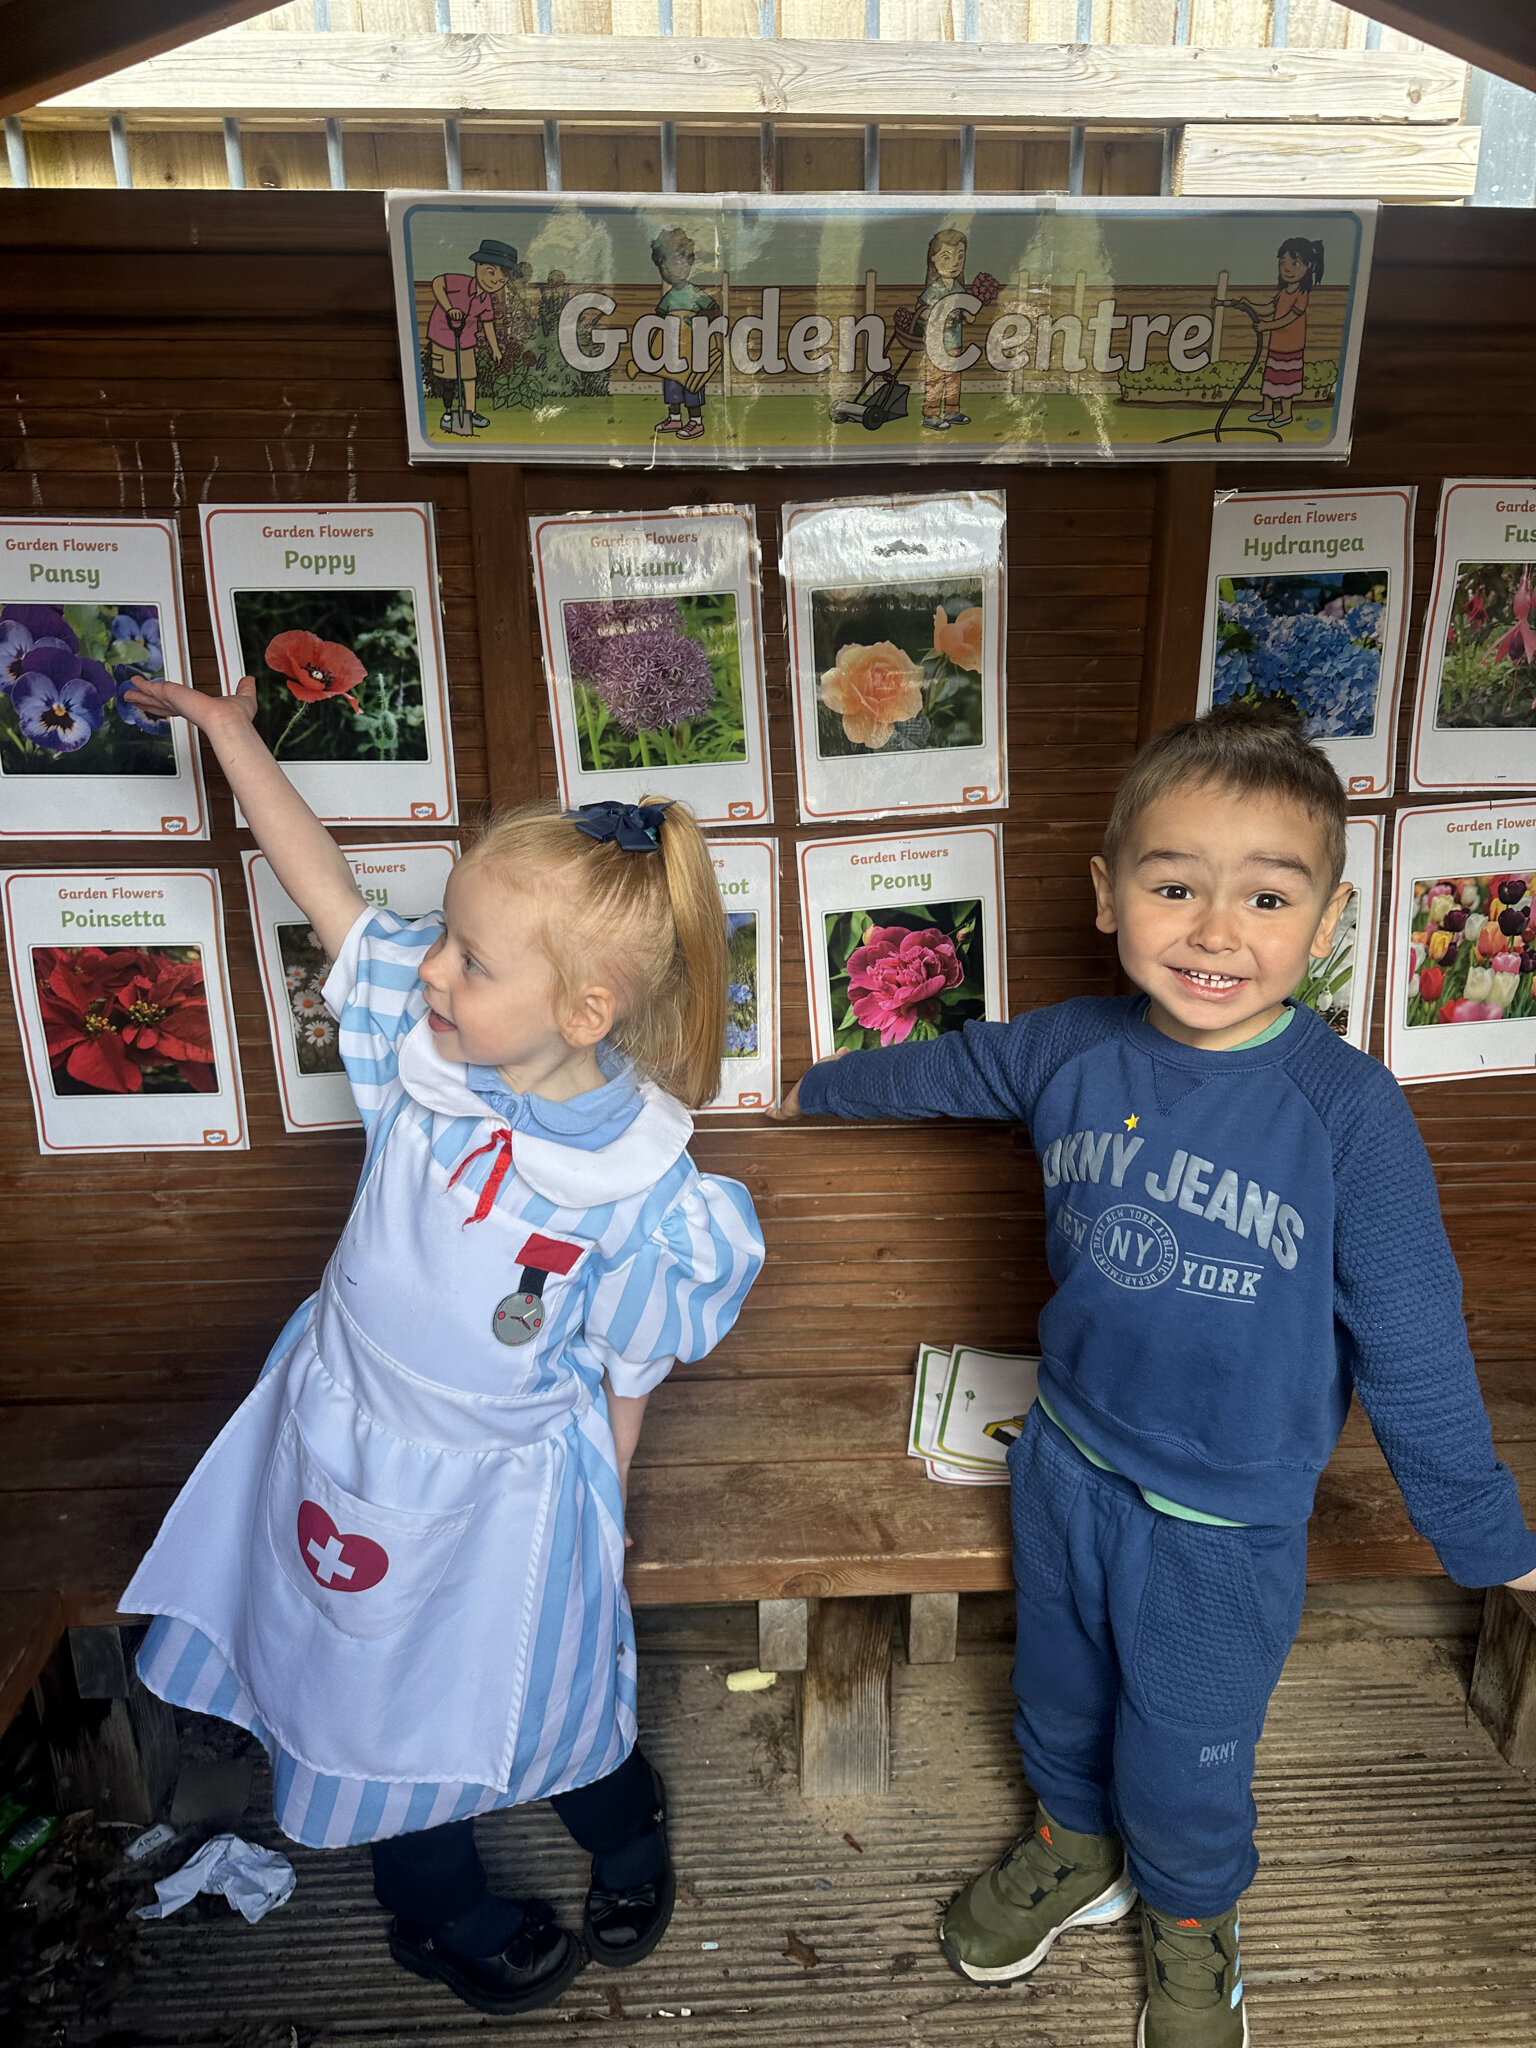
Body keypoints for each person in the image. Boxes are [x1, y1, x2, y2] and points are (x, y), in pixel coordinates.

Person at [770, 705, 1536, 2047]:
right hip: (1066, 1461)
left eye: (1266, 894)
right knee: (1055, 1697)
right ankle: (1078, 1851)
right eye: (1175, 884)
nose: (1215, 929)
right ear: (1109, 893)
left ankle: (1193, 1921)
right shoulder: (1072, 1047)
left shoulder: (1350, 1114)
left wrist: (1489, 1539)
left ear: (1330, 916)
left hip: (1226, 1522)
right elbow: (948, 1068)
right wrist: (808, 1088)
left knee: (1185, 1754)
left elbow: (1415, 1340)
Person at [115, 669, 765, 2019]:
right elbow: (332, 898)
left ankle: (623, 1828)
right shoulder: (426, 1052)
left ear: (584, 1012)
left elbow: (626, 1375)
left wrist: (613, 1519)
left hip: (506, 1489)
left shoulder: (646, 1196)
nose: (431, 964)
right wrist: (237, 740)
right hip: (340, 1433)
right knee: (365, 1689)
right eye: (449, 941)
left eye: (470, 956)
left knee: (538, 1672)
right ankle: (438, 1908)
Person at [426, 238, 516, 432]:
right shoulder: (459, 282)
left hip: (465, 341)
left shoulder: (485, 301)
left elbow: (488, 325)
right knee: (448, 377)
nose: (494, 281)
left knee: (469, 377)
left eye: (501, 280)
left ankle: (470, 412)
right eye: (490, 272)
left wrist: (495, 350)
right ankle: (448, 413)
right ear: (478, 265)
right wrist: (450, 309)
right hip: (443, 338)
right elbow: (437, 283)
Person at [1244, 237, 1323, 431]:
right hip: (1276, 346)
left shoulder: (1301, 295)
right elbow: (1268, 308)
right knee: (1270, 378)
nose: (1287, 268)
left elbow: (1289, 318)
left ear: (1308, 266)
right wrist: (1249, 305)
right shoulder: (1283, 293)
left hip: (1291, 348)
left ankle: (1286, 413)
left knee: (1287, 382)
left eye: (1294, 263)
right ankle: (1267, 410)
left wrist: (1266, 327)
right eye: (1283, 263)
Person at [649, 227, 718, 442]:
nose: (671, 270)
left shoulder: (694, 293)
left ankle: (696, 422)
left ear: (689, 263)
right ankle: (675, 417)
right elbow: (658, 318)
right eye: (665, 266)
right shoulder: (669, 298)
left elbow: (714, 311)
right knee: (671, 386)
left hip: (692, 353)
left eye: (678, 263)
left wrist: (699, 322)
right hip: (672, 353)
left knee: (692, 386)